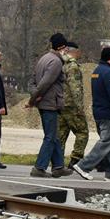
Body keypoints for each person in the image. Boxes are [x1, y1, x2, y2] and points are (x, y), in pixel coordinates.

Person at [71, 47, 110, 183]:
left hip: (101, 112)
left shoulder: (97, 71)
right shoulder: (109, 74)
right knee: (106, 142)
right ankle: (83, 166)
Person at [27, 33, 73, 178]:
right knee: (50, 137)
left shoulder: (44, 59)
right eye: (66, 47)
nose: (67, 50)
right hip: (50, 103)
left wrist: (35, 96)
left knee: (54, 136)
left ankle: (58, 166)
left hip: (44, 102)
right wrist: (33, 100)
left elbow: (33, 82)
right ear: (61, 47)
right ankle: (39, 168)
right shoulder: (56, 62)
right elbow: (45, 83)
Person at [57, 42, 89, 168]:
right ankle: (76, 159)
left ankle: (57, 161)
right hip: (71, 106)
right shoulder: (73, 66)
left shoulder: (60, 64)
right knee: (82, 132)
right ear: (74, 51)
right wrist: (80, 107)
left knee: (61, 134)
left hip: (61, 104)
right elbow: (75, 88)